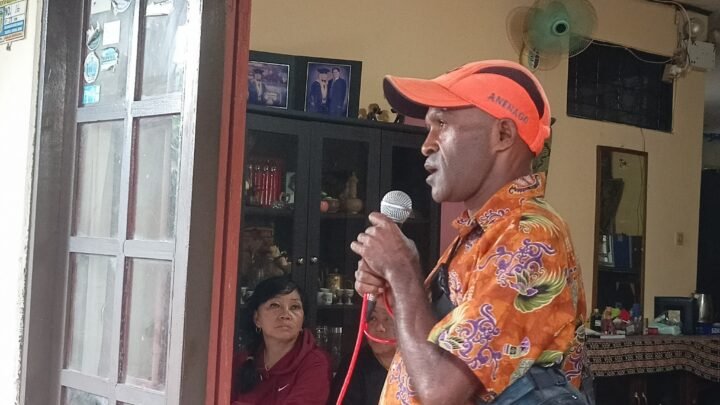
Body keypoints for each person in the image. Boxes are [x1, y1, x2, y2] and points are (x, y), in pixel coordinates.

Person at [351, 60, 593, 404]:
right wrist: (395, 280)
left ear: (503, 135)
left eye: (442, 124)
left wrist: (402, 272)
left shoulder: (529, 236)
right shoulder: (487, 232)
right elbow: (428, 354)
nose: (427, 144)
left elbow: (441, 392)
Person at [232, 276, 331, 404]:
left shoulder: (315, 362)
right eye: (275, 305)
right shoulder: (242, 360)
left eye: (294, 307)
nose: (285, 314)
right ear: (257, 318)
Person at [329, 304, 397, 405]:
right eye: (373, 318)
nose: (379, 327)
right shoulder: (353, 365)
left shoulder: (417, 363)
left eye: (388, 319)